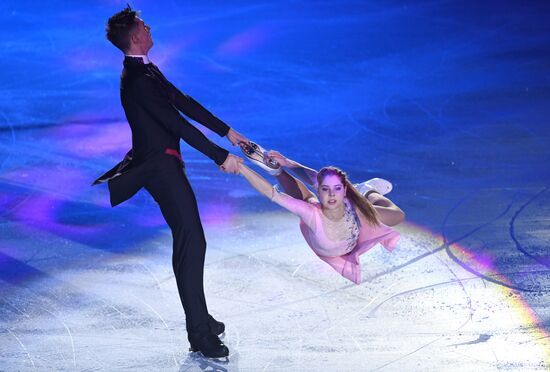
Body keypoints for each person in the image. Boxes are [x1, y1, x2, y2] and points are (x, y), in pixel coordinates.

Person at [93, 6, 246, 358]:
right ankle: (200, 334)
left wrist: (228, 133)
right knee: (192, 240)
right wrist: (220, 156)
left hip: (165, 164)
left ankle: (200, 318)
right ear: (135, 36)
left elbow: (184, 103)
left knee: (189, 241)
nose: (149, 27)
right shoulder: (138, 81)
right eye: (144, 25)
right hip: (158, 168)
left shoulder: (145, 71)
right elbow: (177, 124)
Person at [238, 142, 405, 284]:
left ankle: (367, 191)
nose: (331, 194)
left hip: (355, 225)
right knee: (307, 201)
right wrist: (241, 168)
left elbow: (315, 178)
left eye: (337, 189)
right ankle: (276, 171)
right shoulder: (312, 213)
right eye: (325, 190)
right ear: (320, 190)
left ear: (344, 190)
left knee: (397, 215)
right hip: (328, 244)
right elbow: (272, 193)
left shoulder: (349, 204)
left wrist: (288, 162)